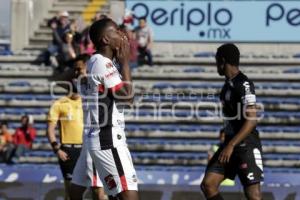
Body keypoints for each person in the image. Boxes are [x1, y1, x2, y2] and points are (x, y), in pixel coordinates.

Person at [84, 18, 139, 200]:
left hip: (108, 138)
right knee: (129, 196)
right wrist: (125, 62)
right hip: (108, 139)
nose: (122, 35)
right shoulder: (101, 62)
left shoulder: (102, 62)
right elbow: (128, 97)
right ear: (105, 39)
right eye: (116, 31)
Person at [201, 43, 263, 200]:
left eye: (216, 61)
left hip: (245, 145)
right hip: (229, 144)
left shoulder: (244, 84)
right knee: (208, 184)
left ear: (222, 61)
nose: (216, 66)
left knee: (253, 195)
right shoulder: (226, 86)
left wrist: (231, 145)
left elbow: (252, 120)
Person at [69, 54, 106, 200]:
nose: (76, 73)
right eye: (75, 70)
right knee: (75, 191)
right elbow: (64, 76)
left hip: (96, 140)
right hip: (86, 141)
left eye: (79, 69)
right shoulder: (80, 83)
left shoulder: (98, 82)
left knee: (97, 190)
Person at [47, 89, 84, 200]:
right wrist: (57, 149)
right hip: (68, 150)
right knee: (71, 192)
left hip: (86, 149)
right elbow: (50, 130)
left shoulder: (87, 102)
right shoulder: (59, 103)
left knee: (97, 189)